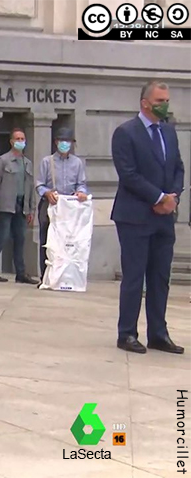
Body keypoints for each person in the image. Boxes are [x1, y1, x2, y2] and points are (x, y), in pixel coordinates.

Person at [111, 80, 185, 355]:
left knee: (160, 277)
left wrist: (173, 197)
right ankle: (127, 333)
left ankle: (158, 334)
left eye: (167, 100)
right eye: (159, 101)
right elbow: (128, 175)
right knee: (134, 276)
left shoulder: (169, 131)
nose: (165, 105)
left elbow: (178, 168)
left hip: (164, 217)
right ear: (145, 103)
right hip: (135, 216)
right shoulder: (126, 133)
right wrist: (158, 198)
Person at [0, 128, 40, 285]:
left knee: (20, 239)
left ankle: (20, 273)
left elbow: (30, 187)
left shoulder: (27, 163)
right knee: (2, 238)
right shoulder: (2, 161)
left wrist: (31, 209)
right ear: (11, 141)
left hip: (22, 206)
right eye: (17, 139)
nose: (20, 141)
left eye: (22, 139)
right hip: (5, 205)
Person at [35, 128, 89, 281]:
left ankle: (65, 276)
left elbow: (81, 184)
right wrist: (47, 193)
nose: (65, 144)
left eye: (68, 141)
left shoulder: (77, 163)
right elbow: (39, 185)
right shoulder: (47, 161)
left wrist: (81, 192)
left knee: (68, 242)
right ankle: (45, 277)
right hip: (50, 205)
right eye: (61, 141)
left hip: (69, 208)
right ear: (56, 142)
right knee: (47, 241)